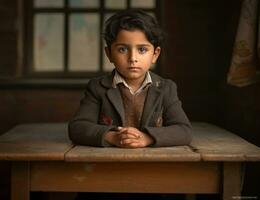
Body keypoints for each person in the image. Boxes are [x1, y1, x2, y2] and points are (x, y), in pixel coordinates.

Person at [68, 9, 192, 149]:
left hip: (154, 162)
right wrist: (112, 137)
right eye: (122, 49)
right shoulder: (98, 87)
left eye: (142, 50)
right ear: (109, 54)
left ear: (155, 55)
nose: (133, 58)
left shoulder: (166, 88)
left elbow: (184, 131)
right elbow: (77, 128)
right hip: (107, 161)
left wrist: (147, 138)